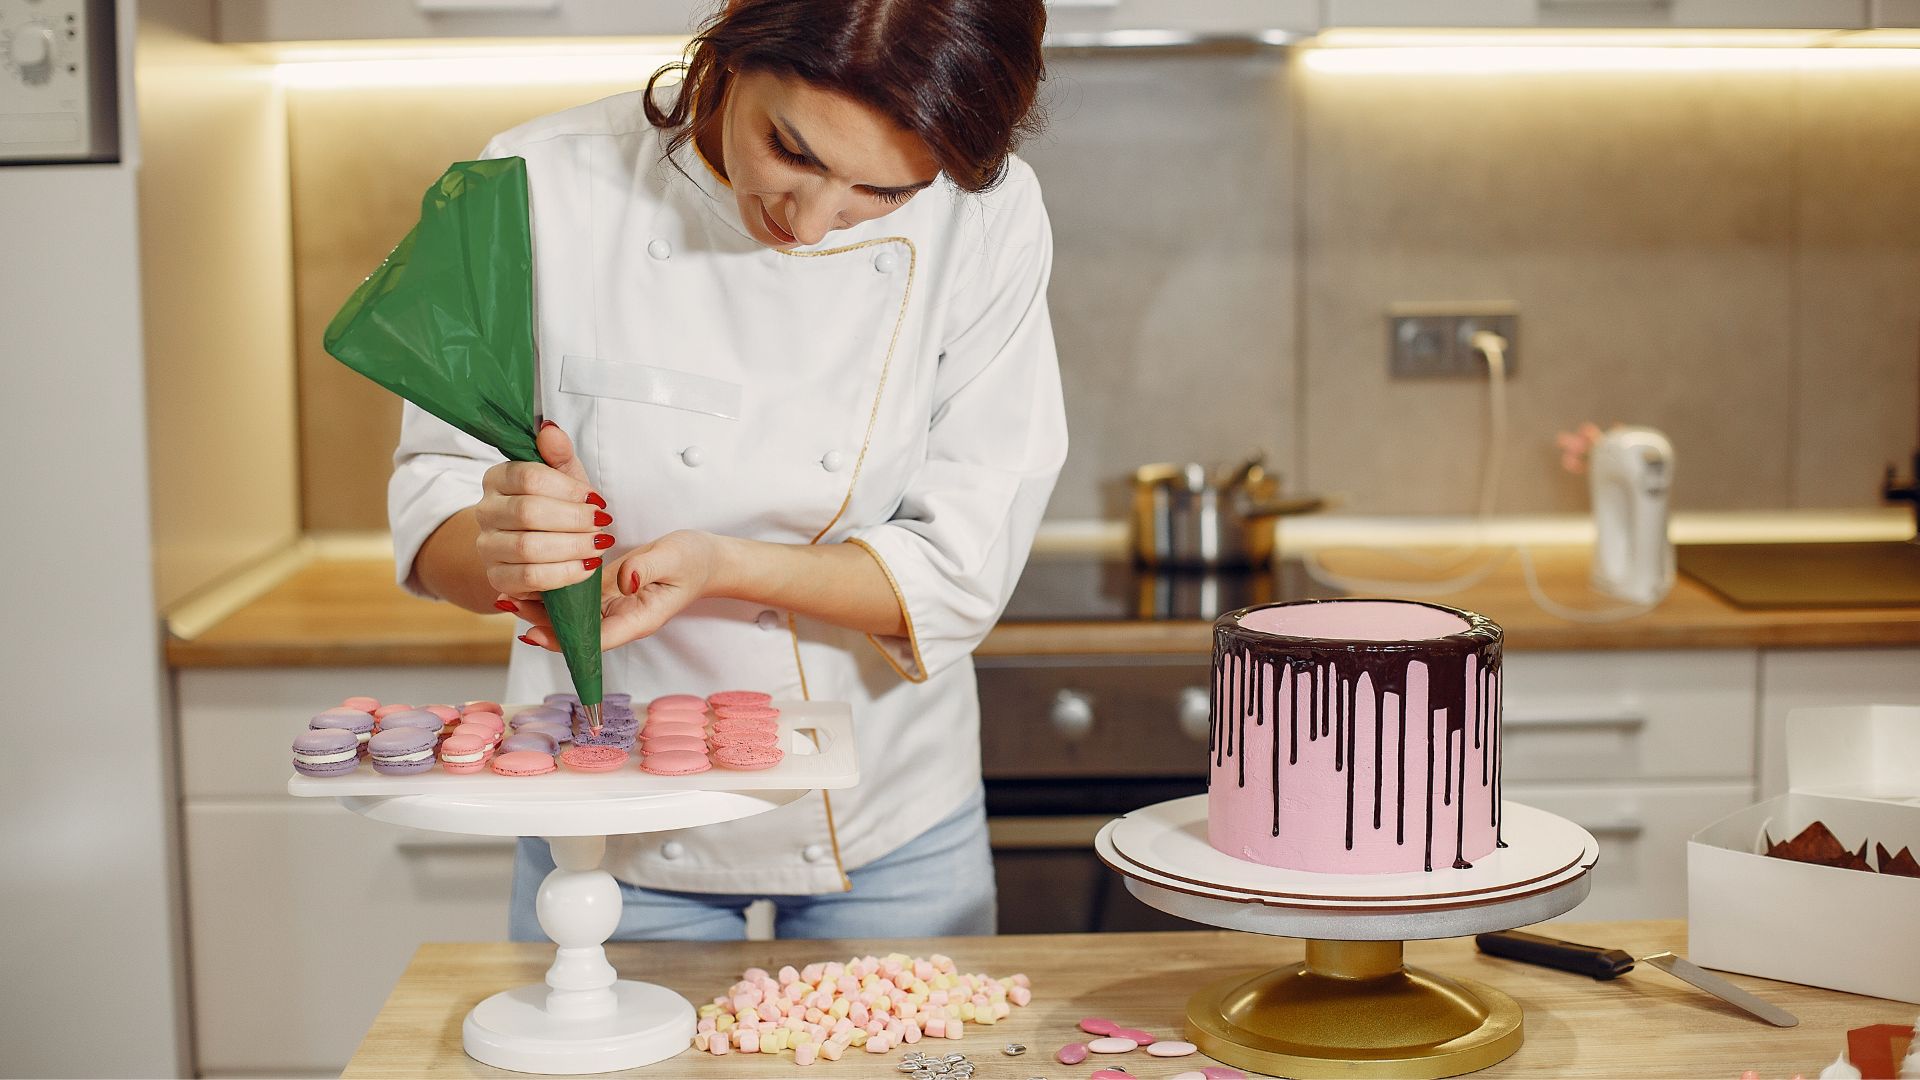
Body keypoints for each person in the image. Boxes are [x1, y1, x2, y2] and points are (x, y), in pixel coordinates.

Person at [389, 0, 1064, 942]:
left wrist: (720, 565)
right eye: (792, 151)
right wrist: (505, 546)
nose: (814, 222)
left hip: (887, 819)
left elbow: (958, 570)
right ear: (733, 49)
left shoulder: (989, 213)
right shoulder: (535, 179)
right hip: (612, 817)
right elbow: (435, 507)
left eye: (884, 194)